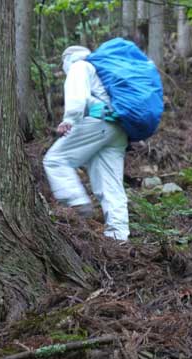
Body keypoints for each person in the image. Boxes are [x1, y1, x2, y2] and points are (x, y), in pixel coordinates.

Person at [43, 46, 130, 241]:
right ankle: (118, 237)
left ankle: (77, 203)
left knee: (55, 160)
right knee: (111, 185)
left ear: (67, 59)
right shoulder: (100, 71)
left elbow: (77, 94)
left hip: (100, 121)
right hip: (118, 128)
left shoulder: (80, 66)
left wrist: (70, 119)